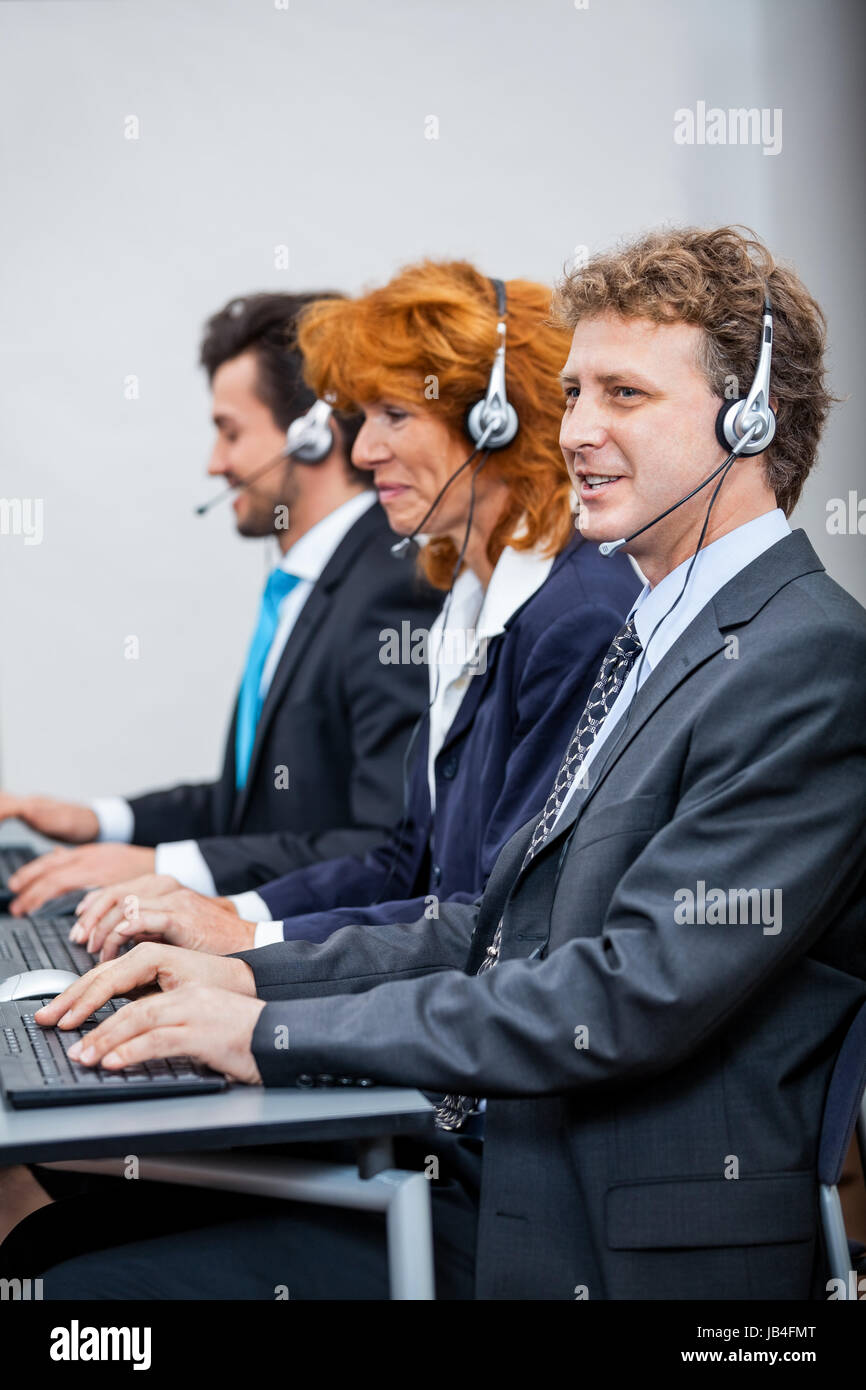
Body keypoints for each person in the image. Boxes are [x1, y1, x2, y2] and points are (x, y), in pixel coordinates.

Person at [4, 226, 865, 1301]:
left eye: (624, 396)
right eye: (574, 392)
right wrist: (241, 972)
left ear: (751, 419)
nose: (576, 429)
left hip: (588, 1230)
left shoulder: (804, 660)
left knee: (68, 1296)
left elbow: (623, 993)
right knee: (42, 1255)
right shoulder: (663, 633)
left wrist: (264, 1031)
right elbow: (483, 925)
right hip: (497, 1155)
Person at [69, 260, 639, 962]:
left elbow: (503, 926)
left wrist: (254, 957)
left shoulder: (577, 616)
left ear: (497, 419)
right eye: (363, 418)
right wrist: (228, 914)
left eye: (395, 415)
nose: (364, 451)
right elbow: (405, 867)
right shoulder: (472, 599)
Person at [0, 292, 439, 913]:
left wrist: (161, 868)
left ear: (311, 435)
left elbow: (387, 846)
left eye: (230, 433)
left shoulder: (393, 587)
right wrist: (99, 821)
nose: (215, 464)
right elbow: (257, 805)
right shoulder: (311, 584)